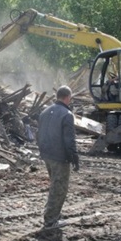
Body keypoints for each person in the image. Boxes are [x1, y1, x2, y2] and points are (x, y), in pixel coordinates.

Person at [36, 85, 79, 229]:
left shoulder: (45, 111)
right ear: (67, 97)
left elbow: (39, 134)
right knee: (59, 188)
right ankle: (51, 220)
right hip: (60, 157)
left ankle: (52, 214)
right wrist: (74, 157)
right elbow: (69, 139)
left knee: (55, 185)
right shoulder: (67, 114)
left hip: (47, 154)